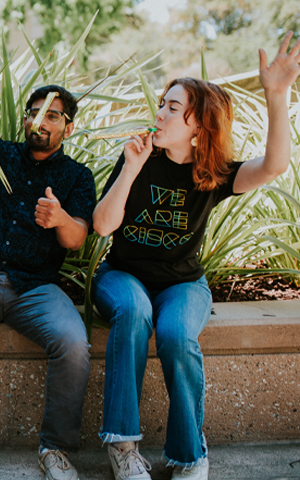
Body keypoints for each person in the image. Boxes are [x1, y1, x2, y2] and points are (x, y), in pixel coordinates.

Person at [91, 34, 300, 480]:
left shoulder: (213, 174)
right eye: (162, 103)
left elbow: (274, 166)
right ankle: (123, 447)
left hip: (184, 284)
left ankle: (189, 456)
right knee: (133, 312)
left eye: (172, 107)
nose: (160, 112)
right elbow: (104, 225)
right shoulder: (138, 158)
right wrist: (129, 168)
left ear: (198, 125)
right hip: (122, 275)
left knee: (176, 336)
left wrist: (277, 97)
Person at [0, 79, 98, 480]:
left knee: (75, 343)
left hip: (36, 287)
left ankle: (55, 448)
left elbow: (77, 239)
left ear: (69, 127)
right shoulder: (1, 153)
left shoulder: (78, 176)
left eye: (52, 115)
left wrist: (60, 219)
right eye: (34, 112)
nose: (40, 121)